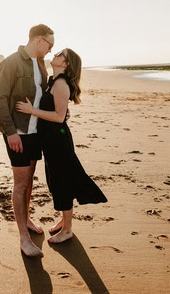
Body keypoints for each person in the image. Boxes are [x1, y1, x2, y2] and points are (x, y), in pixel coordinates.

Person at [16, 48, 107, 244]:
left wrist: (32, 111)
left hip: (58, 141)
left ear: (65, 64)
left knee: (62, 181)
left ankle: (67, 230)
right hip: (52, 141)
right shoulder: (54, 82)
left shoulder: (60, 84)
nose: (55, 55)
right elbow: (60, 112)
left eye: (60, 55)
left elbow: (58, 117)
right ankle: (64, 221)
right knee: (58, 180)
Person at [0, 24, 54, 257]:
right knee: (19, 184)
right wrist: (10, 132)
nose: (50, 50)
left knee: (29, 181)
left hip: (36, 131)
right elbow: (0, 100)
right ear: (39, 40)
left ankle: (26, 219)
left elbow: (41, 96)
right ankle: (23, 238)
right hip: (18, 133)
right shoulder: (10, 63)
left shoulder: (40, 64)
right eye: (49, 45)